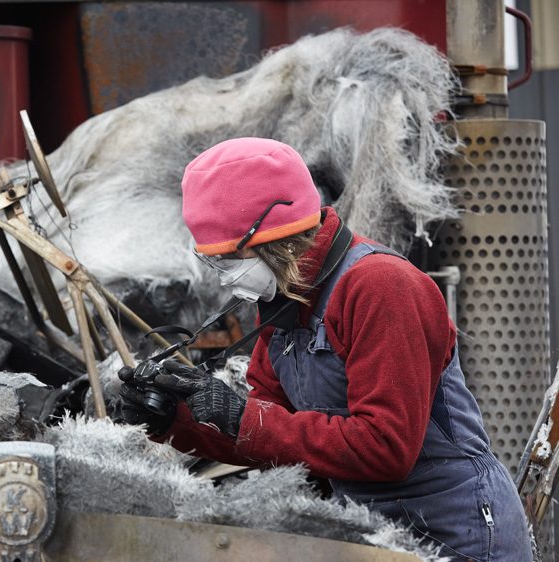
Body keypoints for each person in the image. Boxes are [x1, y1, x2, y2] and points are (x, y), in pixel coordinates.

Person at [116, 137, 533, 561]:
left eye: (226, 261)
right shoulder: (286, 301)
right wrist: (175, 420)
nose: (223, 279)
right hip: (371, 531)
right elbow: (269, 439)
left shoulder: (382, 287)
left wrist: (240, 415)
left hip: (455, 531)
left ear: (273, 239)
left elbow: (386, 448)